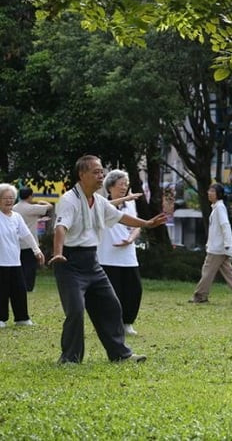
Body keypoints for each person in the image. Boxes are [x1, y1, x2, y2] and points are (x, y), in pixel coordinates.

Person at [48, 155, 167, 364]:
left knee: (111, 306)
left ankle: (121, 354)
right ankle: (70, 359)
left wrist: (147, 224)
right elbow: (60, 227)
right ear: (81, 175)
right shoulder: (69, 199)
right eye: (95, 172)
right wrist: (58, 252)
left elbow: (121, 217)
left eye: (101, 171)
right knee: (75, 311)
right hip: (69, 262)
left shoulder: (100, 201)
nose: (100, 175)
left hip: (92, 262)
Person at [97, 169, 145, 336]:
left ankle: (127, 323)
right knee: (112, 293)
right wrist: (127, 198)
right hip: (108, 256)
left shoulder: (130, 204)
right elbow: (105, 208)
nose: (124, 187)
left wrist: (131, 238)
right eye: (121, 184)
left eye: (126, 184)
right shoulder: (101, 202)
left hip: (128, 255)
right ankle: (111, 323)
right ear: (110, 186)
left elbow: (136, 225)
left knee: (134, 290)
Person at [188, 183, 232, 304]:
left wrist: (228, 244)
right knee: (229, 273)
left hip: (218, 248)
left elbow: (225, 226)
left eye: (212, 191)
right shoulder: (217, 208)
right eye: (209, 191)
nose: (209, 193)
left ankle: (200, 295)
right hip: (219, 247)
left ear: (219, 194)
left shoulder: (219, 208)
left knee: (207, 271)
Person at [0, 184, 44, 328]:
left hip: (14, 260)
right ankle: (1, 318)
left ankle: (22, 318)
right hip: (1, 261)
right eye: (5, 198)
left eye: (11, 198)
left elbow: (27, 235)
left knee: (19, 289)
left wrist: (36, 250)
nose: (9, 201)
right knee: (2, 291)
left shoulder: (17, 217)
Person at [13, 187, 53, 292]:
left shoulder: (14, 208)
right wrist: (42, 201)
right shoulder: (31, 208)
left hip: (17, 242)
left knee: (20, 265)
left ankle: (19, 285)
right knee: (30, 266)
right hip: (30, 243)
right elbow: (50, 207)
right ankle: (28, 286)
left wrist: (39, 220)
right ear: (30, 196)